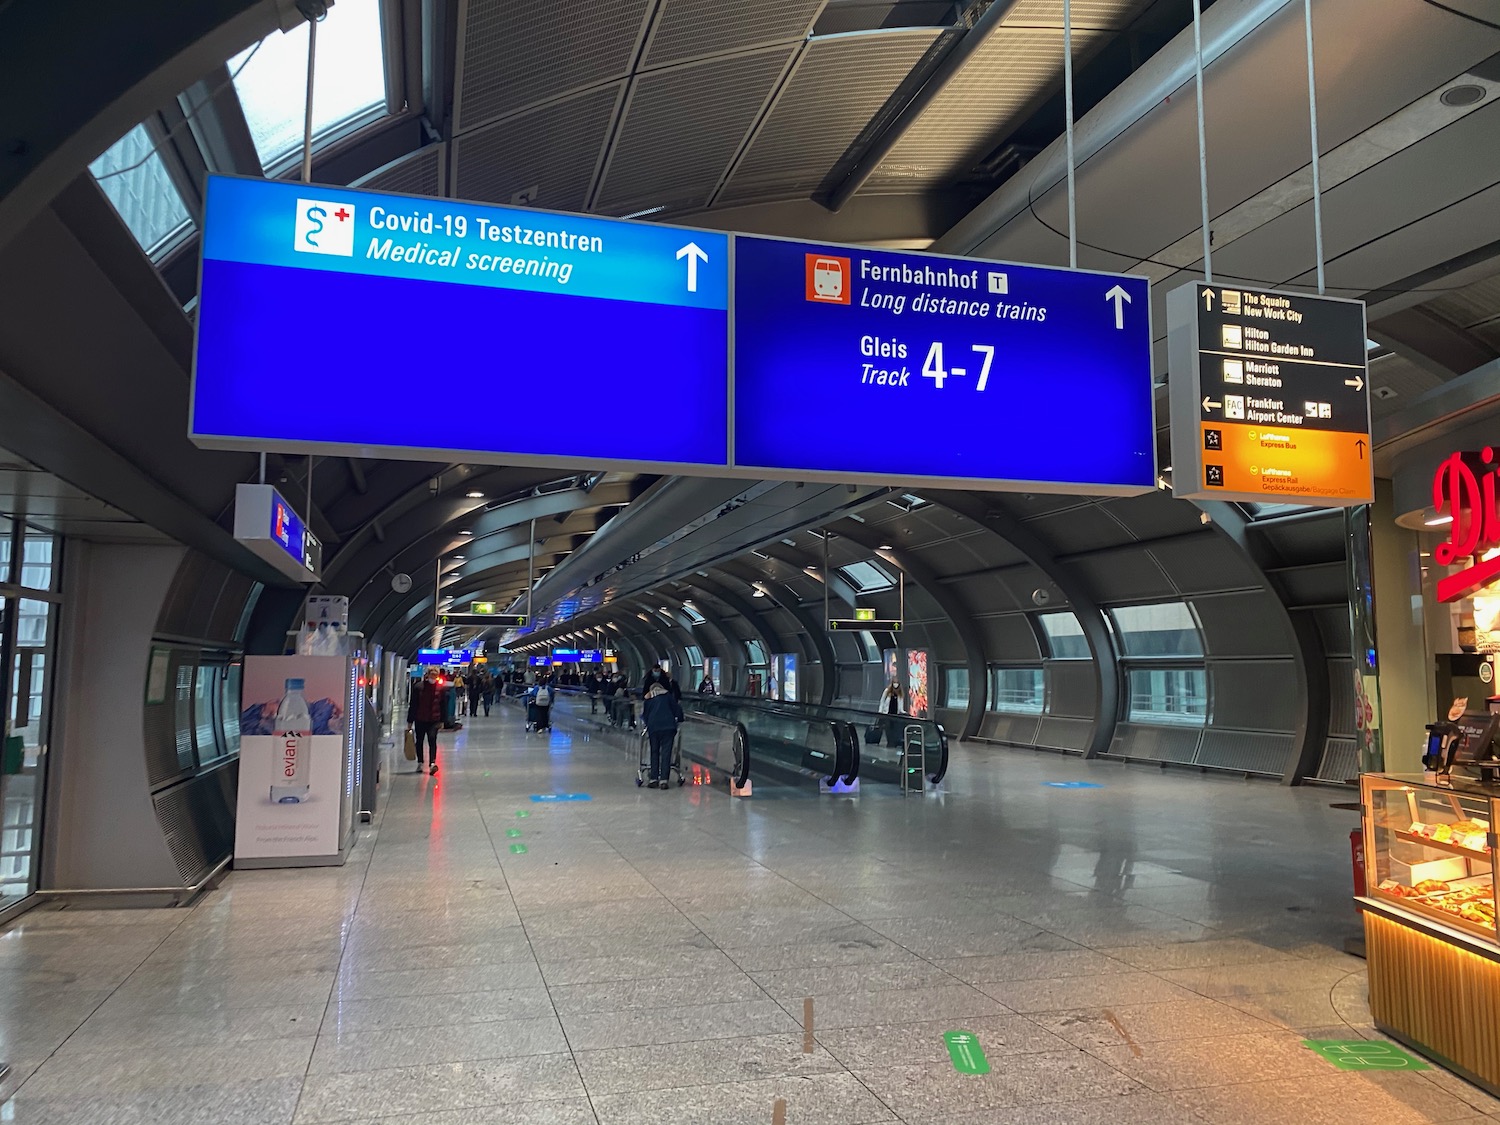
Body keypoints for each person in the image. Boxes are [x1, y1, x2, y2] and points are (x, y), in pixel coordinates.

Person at [642, 681, 683, 789]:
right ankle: (664, 780)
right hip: (668, 727)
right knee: (666, 753)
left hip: (654, 728)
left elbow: (645, 715)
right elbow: (677, 710)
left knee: (654, 752)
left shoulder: (648, 699)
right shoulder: (668, 696)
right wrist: (680, 719)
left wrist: (648, 724)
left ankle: (653, 778)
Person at [407, 668, 445, 775]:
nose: (433, 677)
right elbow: (413, 705)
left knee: (432, 739)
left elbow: (443, 705)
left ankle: (432, 762)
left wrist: (443, 721)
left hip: (434, 719)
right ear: (427, 675)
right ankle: (420, 762)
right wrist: (410, 721)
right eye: (432, 675)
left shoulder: (440, 688)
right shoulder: (419, 687)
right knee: (419, 740)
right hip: (420, 718)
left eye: (435, 675)